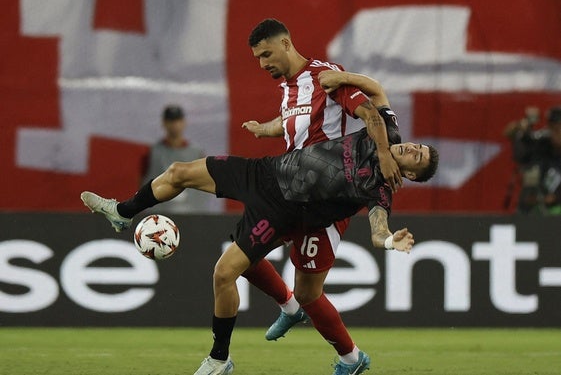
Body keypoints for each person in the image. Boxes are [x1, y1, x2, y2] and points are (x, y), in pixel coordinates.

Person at [80, 112, 439, 374]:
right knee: (179, 172)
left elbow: (378, 228)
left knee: (227, 274)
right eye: (418, 146)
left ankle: (220, 358)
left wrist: (390, 240)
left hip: (287, 210)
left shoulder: (378, 188)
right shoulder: (385, 132)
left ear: (408, 174)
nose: (411, 147)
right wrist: (341, 78)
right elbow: (371, 95)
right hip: (266, 172)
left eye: (417, 156)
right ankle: (123, 212)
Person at [238, 18, 404, 375]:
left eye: (266, 54)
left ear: (286, 44)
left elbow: (371, 106)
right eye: (257, 58)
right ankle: (288, 306)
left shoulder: (325, 76)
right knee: (242, 254)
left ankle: (351, 358)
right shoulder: (288, 89)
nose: (263, 63)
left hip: (326, 199)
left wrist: (386, 155)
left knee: (309, 292)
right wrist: (262, 129)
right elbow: (287, 123)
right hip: (289, 191)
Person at [143, 104, 211, 213]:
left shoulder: (196, 153)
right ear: (164, 123)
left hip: (193, 214)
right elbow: (143, 181)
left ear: (184, 122)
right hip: (160, 216)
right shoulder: (153, 152)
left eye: (178, 120)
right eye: (171, 121)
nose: (175, 125)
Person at [504, 106, 561, 214]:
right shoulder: (542, 143)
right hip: (533, 208)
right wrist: (521, 128)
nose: (555, 134)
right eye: (552, 129)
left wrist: (554, 198)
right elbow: (509, 133)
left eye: (558, 129)